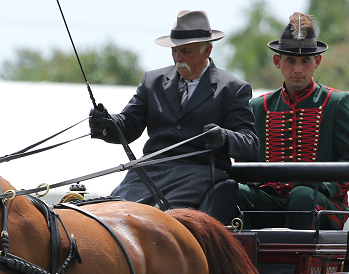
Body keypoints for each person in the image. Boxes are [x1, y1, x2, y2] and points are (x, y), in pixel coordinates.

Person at [88, 9, 259, 209]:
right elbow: (128, 124)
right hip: (148, 171)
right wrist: (107, 123)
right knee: (112, 211)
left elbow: (250, 142)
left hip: (199, 174)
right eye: (174, 51)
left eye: (185, 51)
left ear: (207, 50)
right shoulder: (152, 82)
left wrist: (225, 137)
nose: (178, 58)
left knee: (162, 220)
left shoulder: (232, 89)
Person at [236, 12, 349, 230]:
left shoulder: (334, 102)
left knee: (302, 195)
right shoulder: (260, 107)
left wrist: (325, 187)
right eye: (291, 61)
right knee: (234, 193)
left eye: (305, 61)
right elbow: (243, 163)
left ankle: (294, 263)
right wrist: (252, 180)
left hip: (322, 205)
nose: (297, 70)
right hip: (272, 202)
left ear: (317, 61)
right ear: (277, 61)